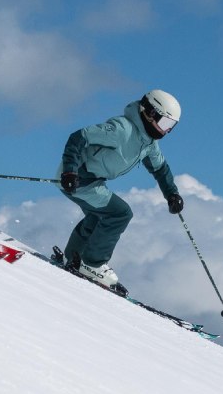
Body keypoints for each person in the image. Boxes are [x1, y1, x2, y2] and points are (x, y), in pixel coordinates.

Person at [57, 89, 185, 289]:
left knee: (97, 216)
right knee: (120, 213)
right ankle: (92, 264)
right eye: (164, 123)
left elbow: (160, 169)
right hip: (78, 178)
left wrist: (172, 194)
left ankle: (73, 257)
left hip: (92, 181)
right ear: (151, 113)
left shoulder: (148, 143)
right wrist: (70, 171)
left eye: (171, 126)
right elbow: (79, 137)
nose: (165, 131)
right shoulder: (121, 130)